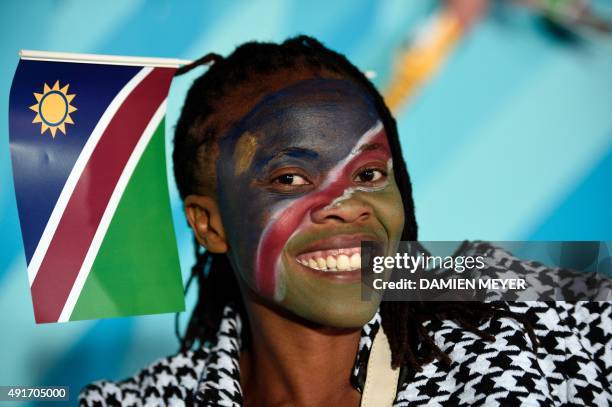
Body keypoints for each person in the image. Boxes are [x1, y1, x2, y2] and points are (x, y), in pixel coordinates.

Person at [79, 36, 611, 406]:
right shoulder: (133, 403)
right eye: (290, 178)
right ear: (209, 225)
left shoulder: (520, 316)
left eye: (369, 171)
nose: (350, 203)